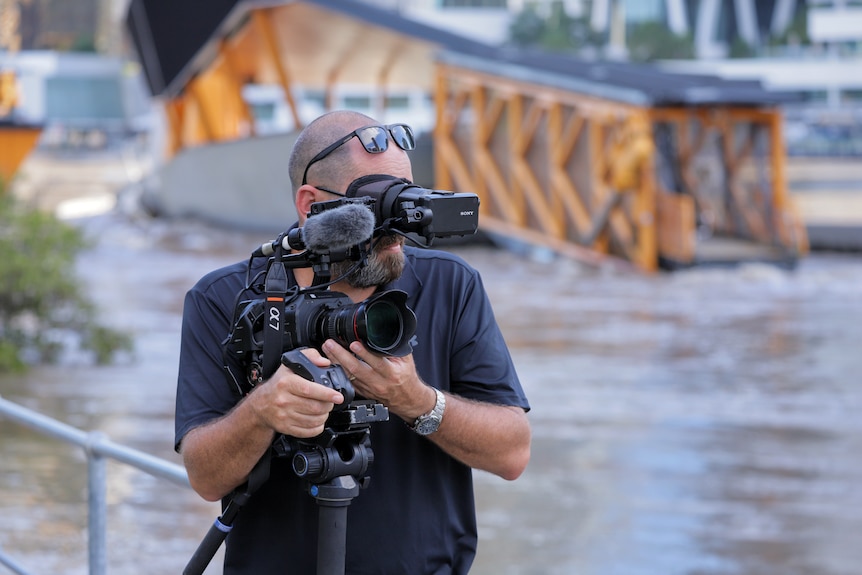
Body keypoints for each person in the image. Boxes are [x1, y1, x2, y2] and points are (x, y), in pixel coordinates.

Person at [175, 110, 531, 574]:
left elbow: (513, 453)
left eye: (406, 197)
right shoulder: (225, 298)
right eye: (378, 203)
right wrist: (263, 412)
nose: (399, 223)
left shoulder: (451, 284)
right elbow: (205, 477)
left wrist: (417, 401)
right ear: (310, 204)